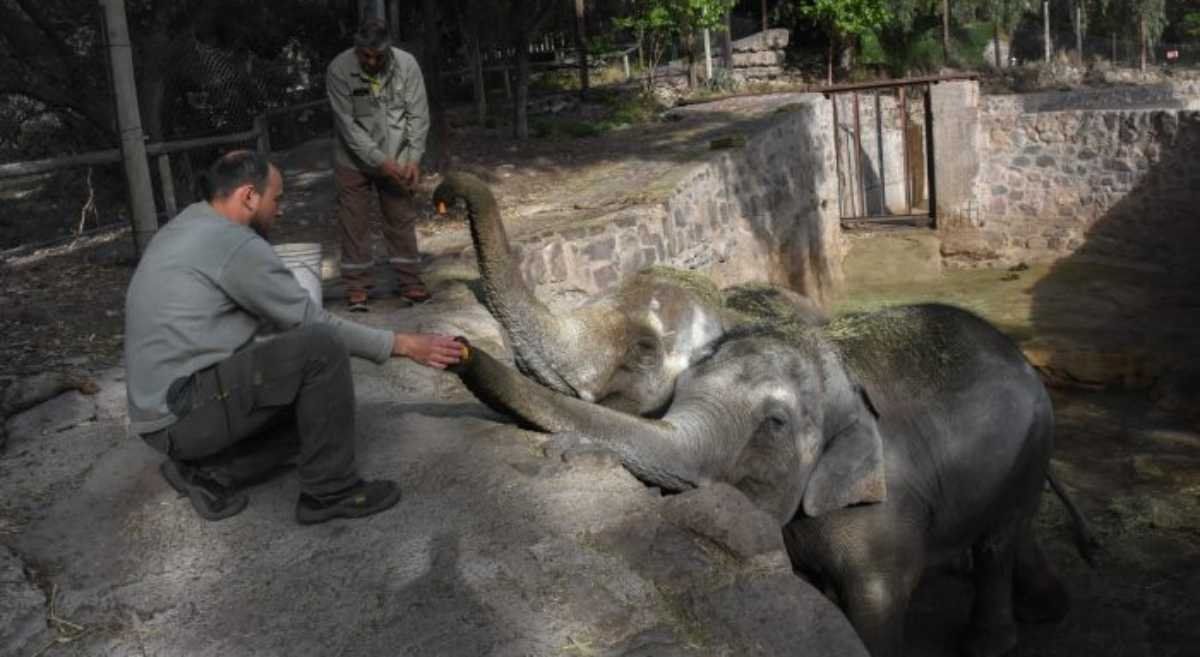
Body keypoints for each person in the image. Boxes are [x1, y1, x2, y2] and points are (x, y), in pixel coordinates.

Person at [124, 150, 463, 524]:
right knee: (321, 347)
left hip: (165, 416)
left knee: (319, 419)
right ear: (249, 196)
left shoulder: (190, 224)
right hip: (182, 411)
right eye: (277, 198)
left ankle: (210, 472)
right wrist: (405, 344)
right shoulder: (234, 243)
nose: (280, 210)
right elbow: (312, 324)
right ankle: (330, 491)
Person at [327, 17, 431, 312]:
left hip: (398, 156)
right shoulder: (338, 69)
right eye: (365, 56)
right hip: (352, 160)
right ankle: (357, 287)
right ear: (356, 48)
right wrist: (379, 160)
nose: (371, 62)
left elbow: (418, 115)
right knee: (354, 222)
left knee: (401, 218)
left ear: (389, 49)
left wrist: (413, 158)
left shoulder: (407, 65)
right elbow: (348, 126)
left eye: (378, 56)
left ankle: (410, 282)